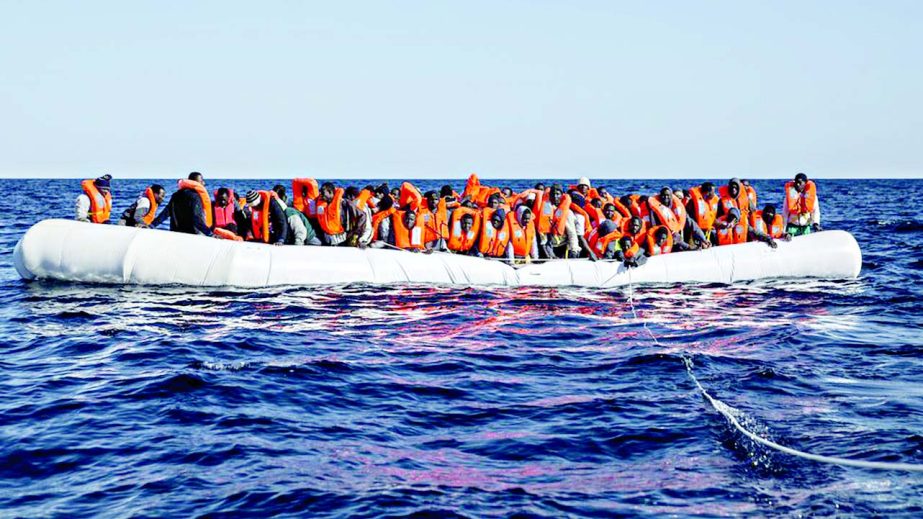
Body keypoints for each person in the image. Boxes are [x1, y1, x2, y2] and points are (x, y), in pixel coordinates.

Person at [646, 186, 702, 251]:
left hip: (678, 237)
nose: (665, 197)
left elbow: (692, 224)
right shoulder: (655, 209)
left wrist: (703, 239)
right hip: (661, 236)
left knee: (689, 225)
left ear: (672, 197)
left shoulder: (679, 208)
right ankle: (686, 247)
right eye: (663, 195)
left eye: (668, 195)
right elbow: (656, 227)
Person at [686, 182, 717, 248]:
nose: (714, 194)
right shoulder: (693, 203)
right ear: (707, 193)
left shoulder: (709, 202)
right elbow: (691, 221)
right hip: (696, 233)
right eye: (713, 192)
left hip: (707, 232)